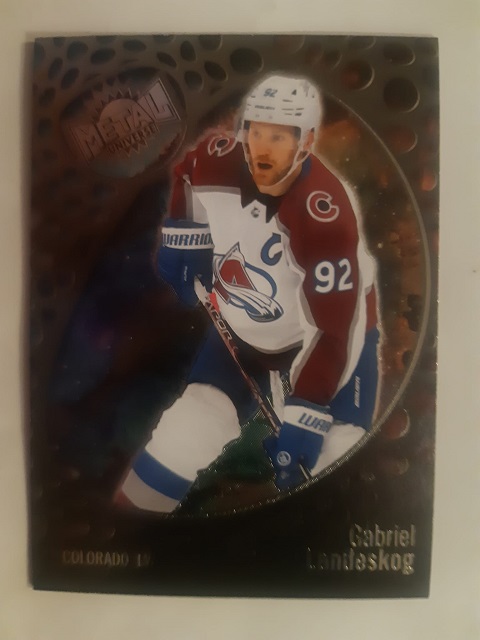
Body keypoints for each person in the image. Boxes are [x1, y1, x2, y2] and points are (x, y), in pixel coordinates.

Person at [116, 74, 380, 513]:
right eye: (256, 132)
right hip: (245, 332)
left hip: (330, 336)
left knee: (337, 454)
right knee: (189, 426)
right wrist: (186, 232)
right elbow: (187, 173)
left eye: (278, 137)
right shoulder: (217, 158)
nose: (262, 148)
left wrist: (307, 411)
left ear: (306, 142)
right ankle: (128, 532)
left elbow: (334, 329)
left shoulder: (324, 213)